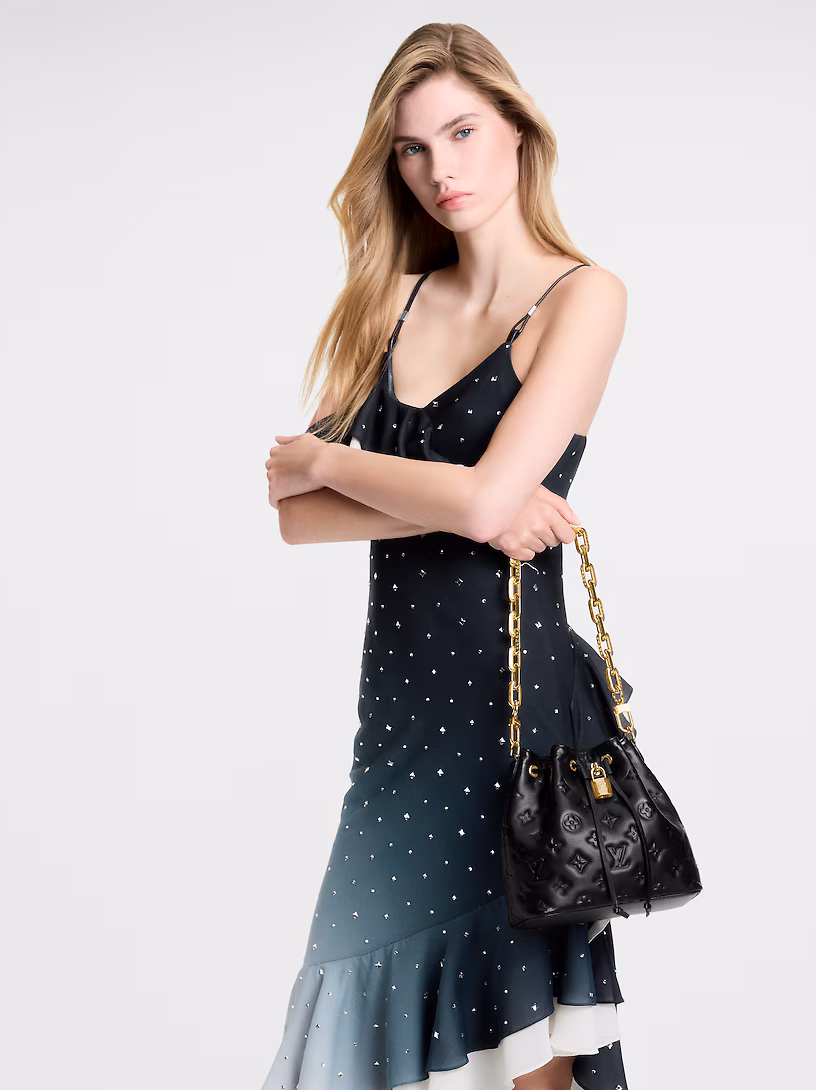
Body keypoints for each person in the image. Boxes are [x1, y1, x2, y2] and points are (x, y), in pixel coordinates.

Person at [262, 22, 630, 1090]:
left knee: (526, 1049)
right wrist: (470, 506)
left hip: (518, 723)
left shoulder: (584, 296)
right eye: (413, 148)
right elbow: (297, 514)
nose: (440, 169)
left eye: (462, 132)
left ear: (516, 129)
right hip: (399, 720)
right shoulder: (392, 298)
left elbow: (452, 494)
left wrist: (335, 461)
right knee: (357, 1027)